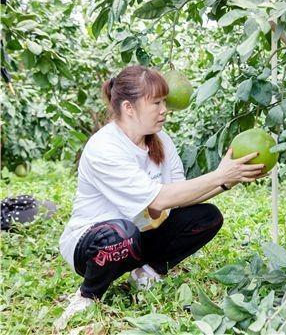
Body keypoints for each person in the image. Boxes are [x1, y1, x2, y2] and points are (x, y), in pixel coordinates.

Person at [54, 65, 265, 329]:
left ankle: (146, 273)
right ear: (129, 108)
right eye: (155, 103)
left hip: (139, 234)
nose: (164, 109)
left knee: (207, 216)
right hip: (92, 244)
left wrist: (226, 181)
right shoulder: (104, 147)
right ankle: (88, 295)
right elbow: (158, 200)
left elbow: (178, 195)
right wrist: (219, 176)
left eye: (164, 101)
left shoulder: (161, 140)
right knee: (121, 233)